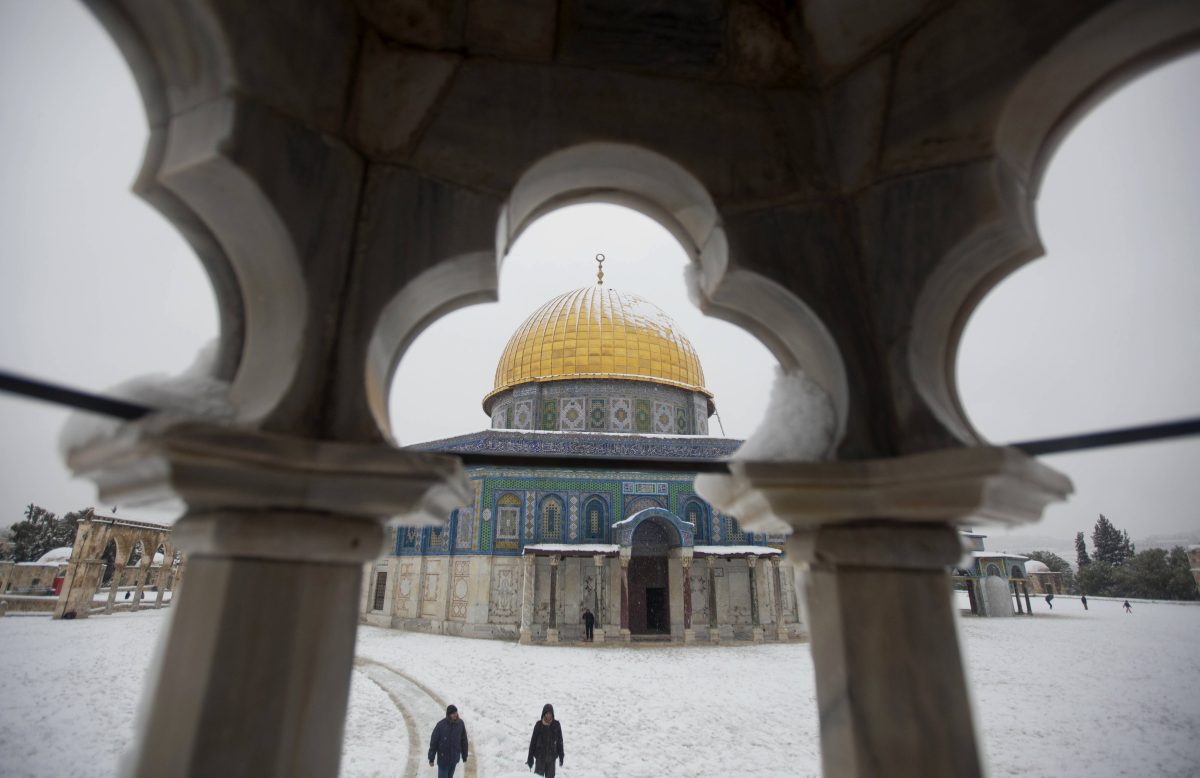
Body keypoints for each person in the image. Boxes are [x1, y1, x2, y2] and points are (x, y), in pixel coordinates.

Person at [428, 704, 468, 778]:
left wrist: (464, 755)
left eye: (456, 712)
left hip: (454, 758)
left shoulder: (460, 724)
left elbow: (463, 740)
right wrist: (431, 757)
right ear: (449, 714)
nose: (455, 715)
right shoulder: (441, 725)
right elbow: (434, 742)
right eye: (453, 713)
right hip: (443, 759)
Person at [526, 703, 564, 776]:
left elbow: (560, 741)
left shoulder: (556, 725)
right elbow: (533, 742)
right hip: (540, 758)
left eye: (550, 713)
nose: (548, 715)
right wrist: (530, 758)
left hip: (551, 759)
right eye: (547, 713)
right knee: (538, 776)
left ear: (552, 714)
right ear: (544, 714)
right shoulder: (538, 725)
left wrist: (561, 756)